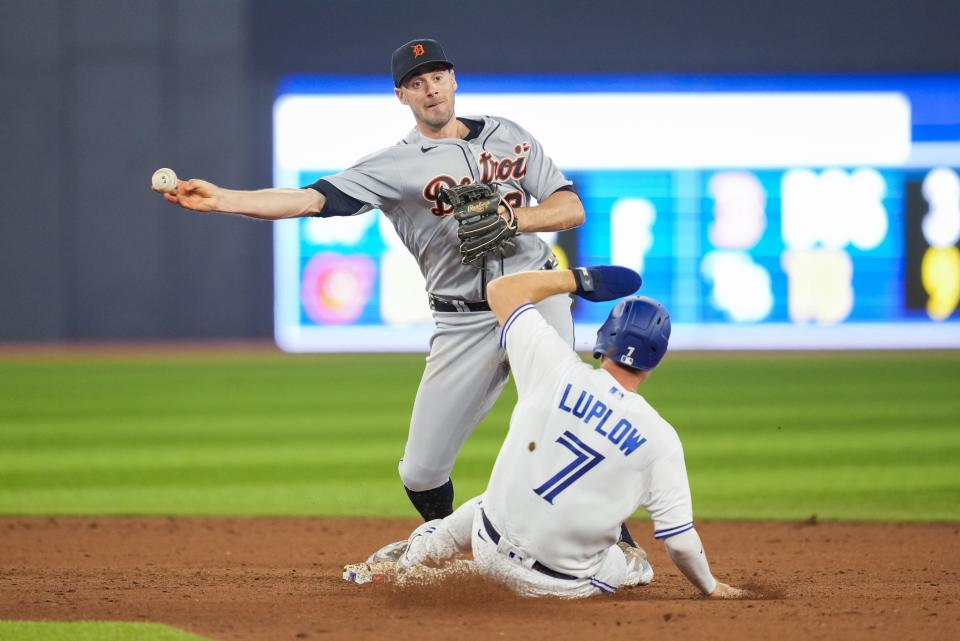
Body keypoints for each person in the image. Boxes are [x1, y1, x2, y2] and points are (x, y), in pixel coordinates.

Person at [155, 39, 587, 531]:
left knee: (563, 423)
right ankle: (449, 550)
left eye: (438, 77)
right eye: (416, 83)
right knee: (421, 473)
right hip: (462, 318)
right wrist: (223, 200)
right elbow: (309, 200)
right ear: (401, 96)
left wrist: (516, 217)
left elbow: (570, 207)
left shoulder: (509, 135)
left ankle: (617, 541)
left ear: (454, 79)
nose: (431, 90)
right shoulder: (394, 165)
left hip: (535, 294)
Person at [370, 266, 746, 599]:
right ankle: (623, 569)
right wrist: (711, 587)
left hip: (487, 545)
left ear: (605, 337)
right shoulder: (661, 439)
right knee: (633, 565)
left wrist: (579, 280)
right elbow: (679, 543)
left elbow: (501, 290)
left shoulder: (554, 366)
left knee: (490, 503)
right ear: (656, 358)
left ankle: (419, 555)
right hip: (557, 587)